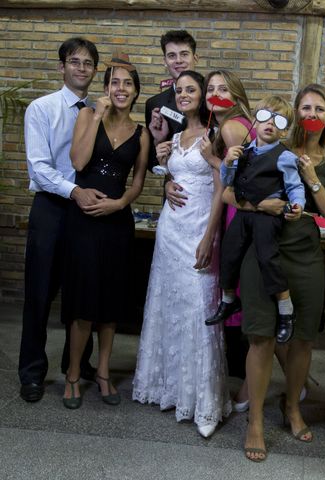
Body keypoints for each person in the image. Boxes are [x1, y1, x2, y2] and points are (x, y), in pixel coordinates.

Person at [223, 84, 325, 462]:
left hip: (306, 255)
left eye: (320, 109)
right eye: (305, 107)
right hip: (263, 251)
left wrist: (310, 178)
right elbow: (229, 194)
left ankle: (292, 407)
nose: (312, 114)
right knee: (261, 336)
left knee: (303, 339)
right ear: (292, 114)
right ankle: (255, 422)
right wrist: (263, 206)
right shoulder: (267, 146)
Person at [133, 70, 231, 438]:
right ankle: (169, 388)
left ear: (204, 95)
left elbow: (224, 185)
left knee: (197, 308)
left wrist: (210, 238)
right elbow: (173, 174)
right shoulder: (172, 137)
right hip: (170, 231)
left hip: (199, 231)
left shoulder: (215, 135)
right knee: (168, 305)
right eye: (180, 90)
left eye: (192, 89)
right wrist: (167, 176)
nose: (185, 94)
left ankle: (204, 401)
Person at [62, 54, 149, 409]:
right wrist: (96, 114)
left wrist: (119, 204)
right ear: (106, 87)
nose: (121, 89)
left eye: (128, 83)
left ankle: (102, 373)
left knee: (110, 304)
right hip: (83, 221)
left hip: (117, 222)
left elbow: (138, 182)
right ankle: (71, 375)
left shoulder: (141, 133)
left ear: (136, 92)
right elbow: (78, 162)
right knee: (83, 301)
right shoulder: (87, 114)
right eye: (115, 82)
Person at [19, 37, 100, 403]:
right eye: (74, 61)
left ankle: (77, 366)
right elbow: (38, 166)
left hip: (88, 212)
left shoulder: (101, 110)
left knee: (81, 292)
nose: (81, 68)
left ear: (95, 70)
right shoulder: (41, 108)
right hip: (52, 207)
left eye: (88, 63)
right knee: (40, 293)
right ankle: (32, 372)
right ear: (62, 66)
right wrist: (74, 191)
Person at [209, 95, 306, 345]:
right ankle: (229, 300)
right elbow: (228, 183)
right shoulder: (243, 151)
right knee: (228, 253)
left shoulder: (284, 157)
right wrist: (228, 162)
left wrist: (298, 204)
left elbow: (295, 186)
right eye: (265, 116)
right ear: (255, 120)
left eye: (279, 120)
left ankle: (286, 310)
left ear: (285, 129)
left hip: (267, 216)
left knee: (267, 257)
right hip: (243, 212)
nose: (270, 123)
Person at [202, 69, 256, 412]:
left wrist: (210, 158)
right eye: (211, 89)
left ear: (235, 95)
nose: (216, 94)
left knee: (251, 305)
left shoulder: (231, 125)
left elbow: (241, 177)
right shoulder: (233, 124)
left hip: (240, 214)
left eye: (224, 89)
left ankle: (254, 386)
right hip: (239, 214)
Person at [144, 30, 198, 206]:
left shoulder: (212, 97)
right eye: (172, 56)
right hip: (174, 196)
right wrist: (157, 142)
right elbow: (153, 164)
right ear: (164, 61)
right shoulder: (155, 104)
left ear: (195, 57)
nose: (179, 61)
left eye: (184, 54)